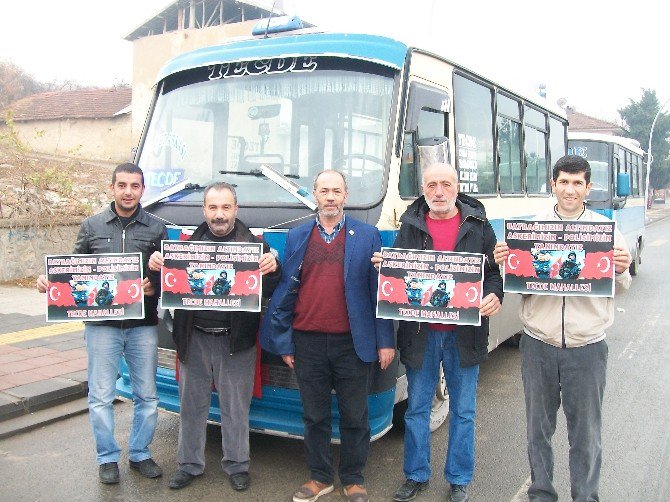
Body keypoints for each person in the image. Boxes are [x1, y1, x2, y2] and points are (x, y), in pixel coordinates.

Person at [493, 155, 632, 502]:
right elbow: (520, 286)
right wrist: (508, 264)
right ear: (552, 184)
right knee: (538, 429)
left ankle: (585, 496)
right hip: (539, 343)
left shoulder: (607, 232)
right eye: (563, 182)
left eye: (578, 183)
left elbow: (623, 285)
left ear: (588, 187)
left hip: (588, 347)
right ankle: (541, 493)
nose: (570, 189)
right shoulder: (528, 231)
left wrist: (620, 268)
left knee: (585, 434)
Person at [260, 169, 395, 502]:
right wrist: (286, 340)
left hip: (353, 342)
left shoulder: (368, 235)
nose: (331, 197)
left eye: (337, 191)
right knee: (315, 415)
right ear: (315, 195)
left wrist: (385, 340)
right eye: (324, 191)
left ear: (345, 196)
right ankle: (320, 477)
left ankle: (353, 478)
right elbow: (288, 289)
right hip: (307, 342)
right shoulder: (298, 236)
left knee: (354, 414)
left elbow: (377, 291)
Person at [373, 162, 503, 502]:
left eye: (445, 184)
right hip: (422, 334)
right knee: (417, 408)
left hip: (465, 334)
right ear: (423, 189)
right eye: (432, 185)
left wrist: (495, 295)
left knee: (463, 410)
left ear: (457, 187)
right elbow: (400, 275)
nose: (439, 191)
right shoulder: (411, 224)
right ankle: (416, 475)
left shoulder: (477, 224)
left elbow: (492, 274)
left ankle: (459, 479)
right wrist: (387, 267)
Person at [37, 163, 168, 484]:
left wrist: (155, 284)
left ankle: (139, 453)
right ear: (112, 188)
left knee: (148, 395)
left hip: (142, 325)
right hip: (101, 326)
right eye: (122, 185)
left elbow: (170, 276)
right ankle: (107, 457)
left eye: (134, 186)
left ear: (142, 189)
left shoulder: (156, 228)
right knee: (100, 396)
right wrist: (49, 281)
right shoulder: (92, 226)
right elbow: (72, 270)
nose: (128, 191)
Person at [148, 182, 280, 492]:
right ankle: (189, 465)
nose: (219, 215)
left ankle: (237, 465)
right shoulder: (184, 246)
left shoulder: (255, 247)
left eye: (225, 207)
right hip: (194, 339)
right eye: (213, 208)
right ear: (204, 210)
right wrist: (155, 268)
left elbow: (272, 290)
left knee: (235, 408)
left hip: (235, 342)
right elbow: (167, 288)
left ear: (236, 209)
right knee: (191, 407)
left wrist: (274, 269)